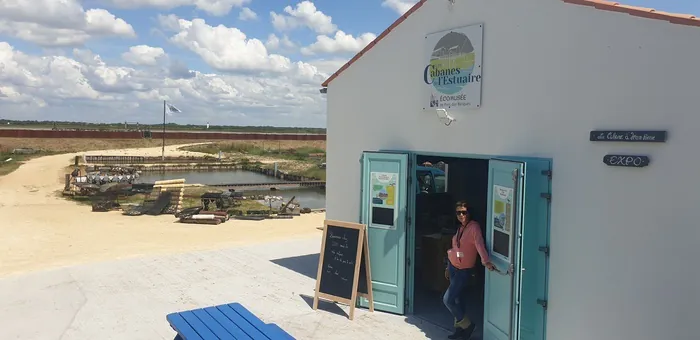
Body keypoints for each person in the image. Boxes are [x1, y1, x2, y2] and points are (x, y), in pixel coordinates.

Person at [443, 200, 495, 339]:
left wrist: (486, 261)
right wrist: (448, 266)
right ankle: (459, 330)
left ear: (469, 213)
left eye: (463, 212)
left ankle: (468, 325)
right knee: (459, 300)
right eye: (458, 212)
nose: (461, 215)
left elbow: (479, 245)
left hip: (463, 270)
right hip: (453, 267)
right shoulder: (460, 228)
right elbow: (455, 249)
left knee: (448, 300)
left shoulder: (474, 228)